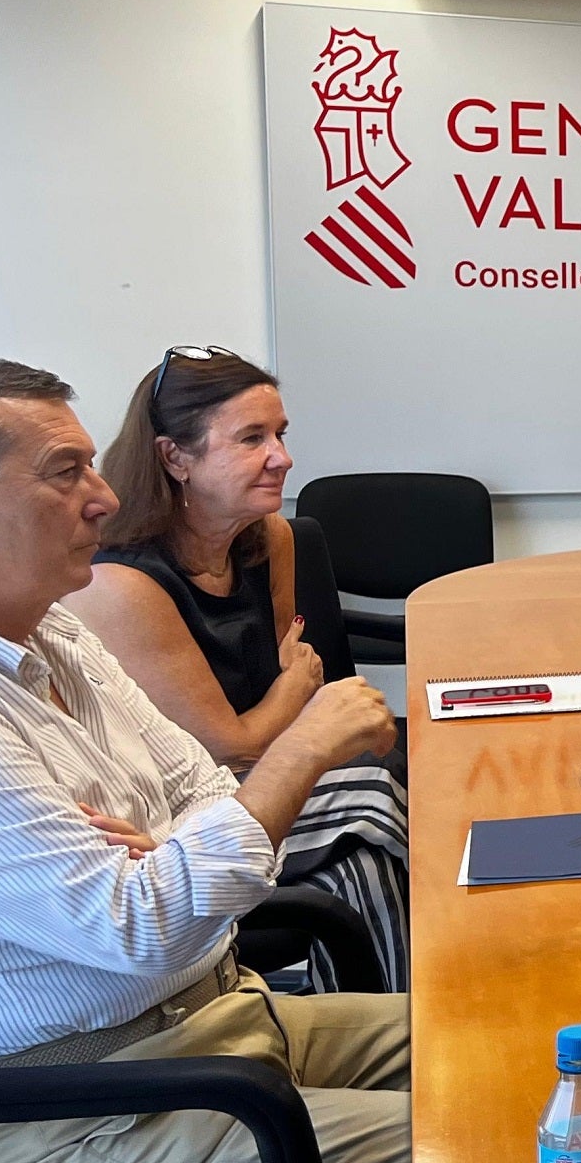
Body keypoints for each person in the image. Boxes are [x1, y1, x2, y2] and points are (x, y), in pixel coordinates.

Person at [0, 355, 409, 1163]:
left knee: (526, 1042)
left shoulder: (53, 628)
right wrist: (304, 750)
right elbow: (146, 921)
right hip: (90, 1114)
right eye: (66, 472)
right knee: (533, 1130)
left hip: (224, 1025)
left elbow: (206, 790)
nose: (103, 496)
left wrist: (174, 850)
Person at [65, 346, 410, 992]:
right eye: (253, 438)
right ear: (175, 457)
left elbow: (291, 687)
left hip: (258, 776)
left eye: (279, 434)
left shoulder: (267, 535)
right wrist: (296, 698)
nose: (282, 456)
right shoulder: (120, 581)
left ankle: (404, 1006)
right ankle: (401, 1024)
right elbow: (234, 739)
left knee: (388, 800)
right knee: (368, 806)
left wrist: (298, 702)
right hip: (178, 812)